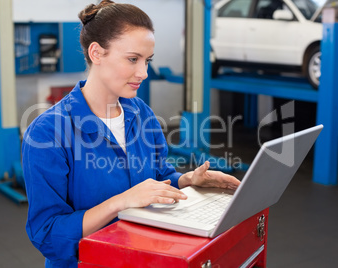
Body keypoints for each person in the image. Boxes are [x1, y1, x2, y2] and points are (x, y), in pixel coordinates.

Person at [22, 1, 241, 267]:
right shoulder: (49, 133)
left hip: (143, 256)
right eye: (132, 59)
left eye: (147, 61)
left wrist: (188, 180)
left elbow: (160, 177)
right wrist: (121, 202)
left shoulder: (141, 114)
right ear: (96, 53)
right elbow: (47, 234)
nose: (143, 72)